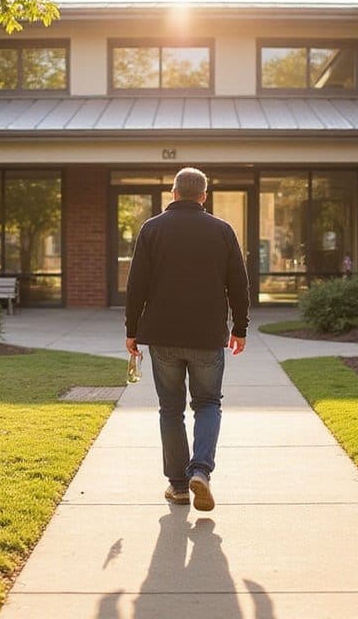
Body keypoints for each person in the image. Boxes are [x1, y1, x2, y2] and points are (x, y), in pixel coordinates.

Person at [125, 167, 250, 512]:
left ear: (174, 193)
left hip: (163, 336)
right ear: (203, 197)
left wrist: (131, 330)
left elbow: (136, 285)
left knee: (171, 409)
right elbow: (238, 285)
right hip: (208, 336)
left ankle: (179, 487)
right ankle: (201, 471)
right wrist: (240, 328)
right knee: (208, 404)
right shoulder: (222, 230)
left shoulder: (152, 229)